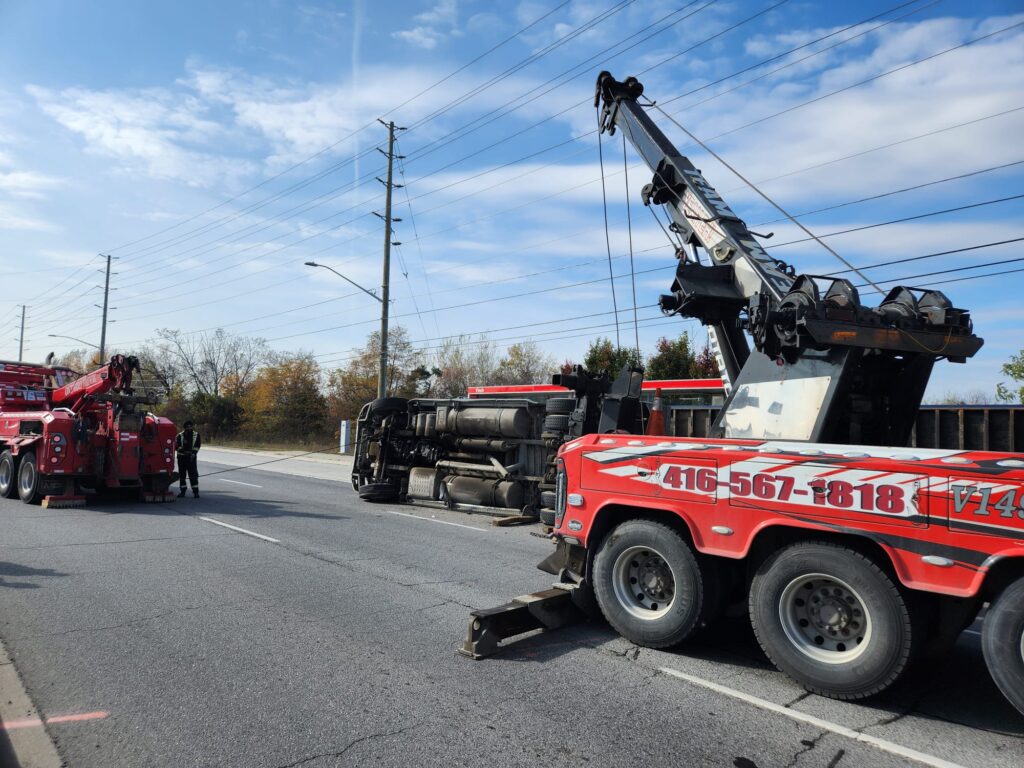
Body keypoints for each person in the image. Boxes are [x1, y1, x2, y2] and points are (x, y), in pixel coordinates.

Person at [175, 421, 201, 498]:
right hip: (182, 458)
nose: (189, 428)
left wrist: (193, 453)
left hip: (191, 459)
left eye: (190, 426)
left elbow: (197, 445)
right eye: (187, 427)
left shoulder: (196, 435)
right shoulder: (180, 436)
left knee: (193, 475)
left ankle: (195, 492)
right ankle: (183, 491)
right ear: (185, 427)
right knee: (182, 475)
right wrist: (183, 451)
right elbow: (177, 446)